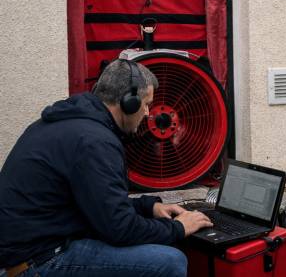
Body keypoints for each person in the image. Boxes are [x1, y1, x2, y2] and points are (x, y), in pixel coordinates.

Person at [0, 59, 213, 277]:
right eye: (146, 103)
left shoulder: (70, 125)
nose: (149, 113)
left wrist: (148, 208)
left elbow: (98, 200)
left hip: (26, 255)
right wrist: (178, 228)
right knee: (170, 261)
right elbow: (119, 229)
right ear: (128, 102)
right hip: (39, 263)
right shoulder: (95, 141)